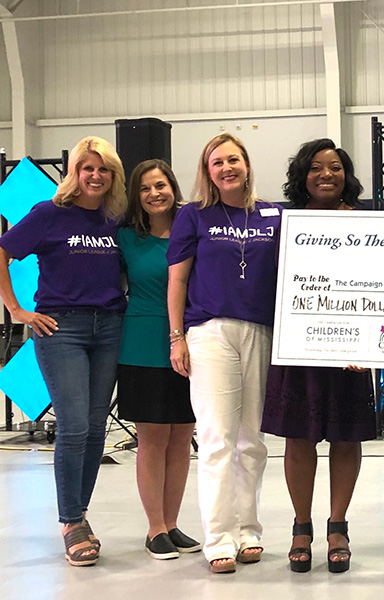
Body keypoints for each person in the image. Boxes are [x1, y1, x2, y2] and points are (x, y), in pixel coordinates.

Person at [0, 136, 127, 566]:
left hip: (110, 326)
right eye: (87, 168)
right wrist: (17, 309)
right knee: (73, 426)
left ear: (113, 176)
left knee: (94, 428)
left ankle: (81, 515)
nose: (95, 175)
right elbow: (3, 249)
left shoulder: (116, 219)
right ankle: (70, 520)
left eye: (103, 169)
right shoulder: (49, 214)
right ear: (74, 172)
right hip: (62, 329)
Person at [167, 133, 282, 574]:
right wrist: (177, 337)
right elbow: (177, 281)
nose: (226, 167)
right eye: (217, 162)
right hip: (209, 332)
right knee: (216, 438)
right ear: (207, 171)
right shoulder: (193, 216)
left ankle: (248, 530)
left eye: (233, 159)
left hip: (261, 331)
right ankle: (218, 538)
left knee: (252, 440)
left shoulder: (275, 215)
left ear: (247, 164)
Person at [261, 138, 376, 574]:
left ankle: (338, 526)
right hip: (300, 346)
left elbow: (379, 286)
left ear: (346, 176)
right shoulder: (286, 224)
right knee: (299, 436)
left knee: (347, 437)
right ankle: (302, 527)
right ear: (301, 177)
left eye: (335, 167)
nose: (326, 174)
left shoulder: (367, 226)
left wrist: (369, 341)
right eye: (316, 167)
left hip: (352, 348)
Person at [116, 160, 200, 560]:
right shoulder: (125, 238)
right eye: (146, 188)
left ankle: (172, 522)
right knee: (153, 438)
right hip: (142, 344)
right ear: (136, 195)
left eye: (161, 185)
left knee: (182, 436)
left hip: (190, 345)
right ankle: (154, 529)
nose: (154, 193)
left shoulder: (192, 230)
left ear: (173, 187)